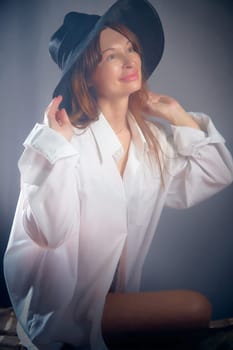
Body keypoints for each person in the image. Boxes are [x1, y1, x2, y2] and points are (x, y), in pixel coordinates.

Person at [4, 0, 233, 349]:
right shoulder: (66, 144)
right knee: (196, 307)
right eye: (111, 55)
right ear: (87, 73)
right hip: (61, 310)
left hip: (115, 300)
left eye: (131, 48)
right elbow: (50, 231)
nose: (130, 60)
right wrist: (56, 145)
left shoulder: (150, 140)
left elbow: (217, 171)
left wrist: (175, 113)